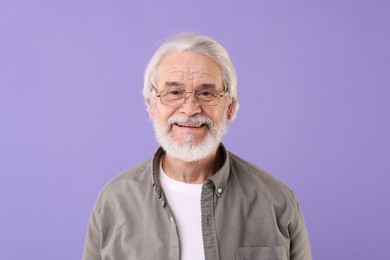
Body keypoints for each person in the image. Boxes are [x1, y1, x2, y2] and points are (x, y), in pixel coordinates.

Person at [82, 32, 312, 260]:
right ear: (152, 106)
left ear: (230, 107)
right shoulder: (113, 203)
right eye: (174, 92)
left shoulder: (277, 202)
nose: (190, 108)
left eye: (206, 93)